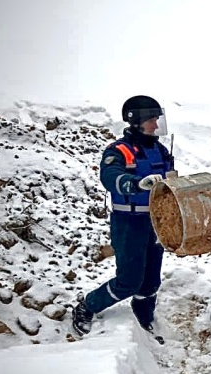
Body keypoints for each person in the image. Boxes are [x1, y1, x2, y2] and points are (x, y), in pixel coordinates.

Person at [72, 95, 175, 337]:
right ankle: (87, 306)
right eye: (152, 119)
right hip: (129, 223)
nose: (156, 125)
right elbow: (110, 177)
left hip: (157, 223)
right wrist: (136, 184)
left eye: (157, 119)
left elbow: (171, 181)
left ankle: (144, 314)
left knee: (150, 281)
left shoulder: (160, 150)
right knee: (129, 281)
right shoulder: (118, 150)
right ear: (135, 121)